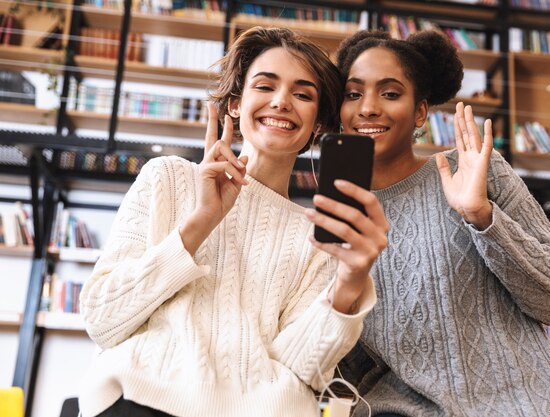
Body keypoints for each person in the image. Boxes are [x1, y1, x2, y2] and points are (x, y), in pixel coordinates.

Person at [78, 26, 389, 417]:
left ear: (319, 123)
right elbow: (102, 320)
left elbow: (303, 369)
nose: (281, 102)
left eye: (302, 94)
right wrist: (202, 220)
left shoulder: (320, 235)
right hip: (142, 400)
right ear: (236, 104)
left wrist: (348, 282)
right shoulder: (167, 179)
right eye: (265, 86)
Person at [335, 29, 550, 417]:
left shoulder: (477, 173)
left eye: (389, 93)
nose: (367, 108)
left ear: (421, 111)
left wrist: (481, 216)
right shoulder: (337, 218)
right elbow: (344, 366)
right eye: (353, 94)